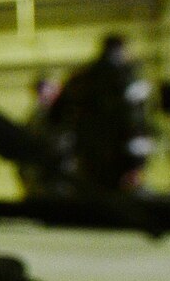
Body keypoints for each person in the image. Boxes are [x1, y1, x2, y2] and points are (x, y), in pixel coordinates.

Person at [43, 34, 153, 193]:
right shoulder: (128, 81)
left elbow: (55, 115)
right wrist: (137, 165)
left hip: (86, 155)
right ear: (121, 50)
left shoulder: (80, 79)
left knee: (90, 196)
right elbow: (135, 123)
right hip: (119, 156)